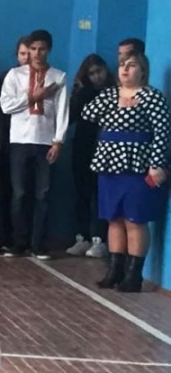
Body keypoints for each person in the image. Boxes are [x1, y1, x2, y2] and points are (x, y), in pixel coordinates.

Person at [82, 51, 171, 293]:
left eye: (131, 65)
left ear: (142, 71)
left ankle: (134, 274)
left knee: (134, 219)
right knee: (114, 218)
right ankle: (114, 270)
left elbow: (162, 133)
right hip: (110, 164)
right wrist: (116, 99)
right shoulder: (110, 95)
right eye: (122, 64)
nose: (125, 69)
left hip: (138, 166)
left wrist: (156, 164)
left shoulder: (152, 97)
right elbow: (88, 113)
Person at [0, 29, 69, 258]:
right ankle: (18, 242)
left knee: (43, 194)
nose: (37, 53)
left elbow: (62, 111)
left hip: (45, 141)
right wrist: (33, 96)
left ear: (49, 50)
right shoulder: (15, 75)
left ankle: (38, 243)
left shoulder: (58, 77)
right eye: (33, 49)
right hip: (20, 140)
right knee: (19, 193)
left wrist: (58, 141)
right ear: (27, 51)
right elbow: (6, 106)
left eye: (42, 49)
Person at [67, 54, 112, 258]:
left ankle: (99, 239)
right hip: (83, 147)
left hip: (105, 148)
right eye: (91, 74)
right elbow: (71, 117)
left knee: (99, 194)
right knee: (81, 193)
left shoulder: (114, 93)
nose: (96, 77)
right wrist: (78, 94)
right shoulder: (84, 93)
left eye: (99, 71)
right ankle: (82, 237)